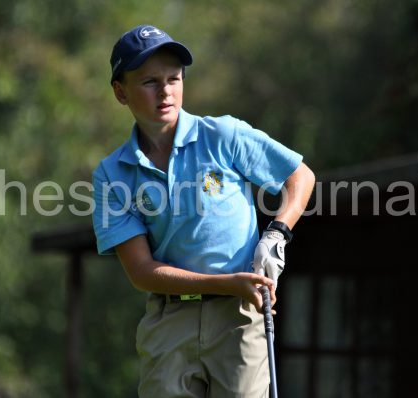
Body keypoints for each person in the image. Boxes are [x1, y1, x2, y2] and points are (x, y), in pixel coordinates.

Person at [92, 24, 315, 397]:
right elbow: (142, 272)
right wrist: (226, 284)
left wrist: (277, 234)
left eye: (173, 79)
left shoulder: (223, 136)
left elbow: (300, 177)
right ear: (120, 92)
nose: (165, 91)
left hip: (240, 319)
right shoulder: (113, 174)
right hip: (169, 320)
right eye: (149, 82)